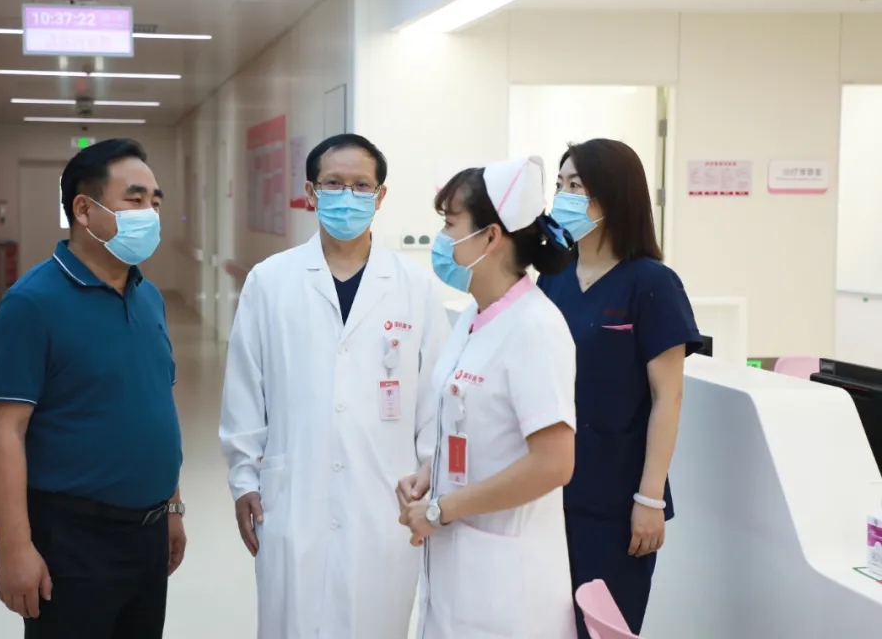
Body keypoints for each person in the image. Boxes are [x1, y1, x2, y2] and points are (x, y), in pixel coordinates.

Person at [219, 133, 451, 639]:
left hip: (386, 499)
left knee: (375, 622)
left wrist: (430, 476)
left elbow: (435, 400)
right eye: (333, 183)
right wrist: (244, 480)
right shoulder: (270, 280)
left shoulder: (413, 287)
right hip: (292, 498)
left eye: (361, 185)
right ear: (310, 192)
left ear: (380, 196)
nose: (348, 196)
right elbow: (244, 391)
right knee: (293, 622)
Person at [0, 138, 186, 639]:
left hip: (148, 534)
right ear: (83, 209)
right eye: (134, 199)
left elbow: (157, 405)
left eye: (155, 201)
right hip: (73, 542)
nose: (149, 213)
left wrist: (172, 507)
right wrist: (14, 549)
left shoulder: (148, 297)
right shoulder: (32, 304)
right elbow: (5, 431)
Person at [398, 155, 579, 639]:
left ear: (491, 236)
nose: (442, 239)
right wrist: (431, 475)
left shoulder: (536, 328)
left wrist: (443, 508)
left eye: (450, 224)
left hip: (508, 589)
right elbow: (473, 422)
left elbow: (554, 464)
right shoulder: (474, 318)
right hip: (459, 570)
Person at [539, 138, 702, 638]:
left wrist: (650, 499)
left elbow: (668, 397)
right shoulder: (553, 279)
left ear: (613, 195)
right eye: (559, 184)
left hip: (618, 501)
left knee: (601, 627)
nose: (563, 197)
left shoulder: (651, 282)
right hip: (549, 491)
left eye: (577, 186)